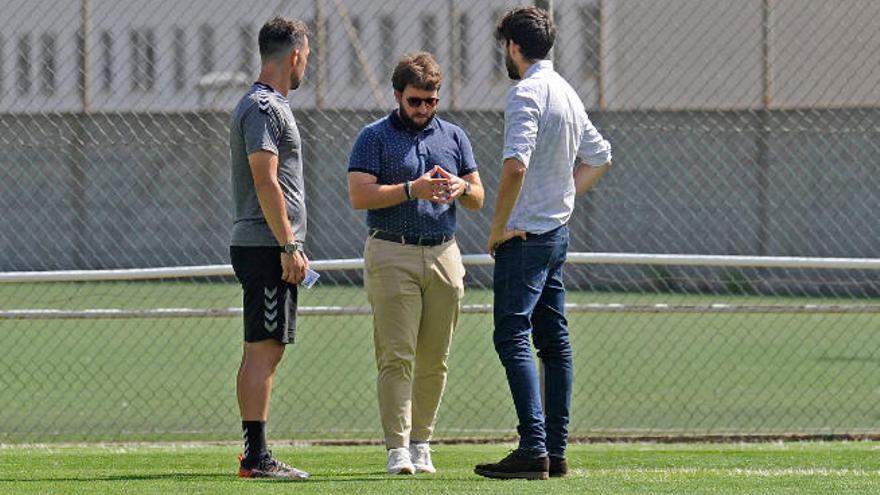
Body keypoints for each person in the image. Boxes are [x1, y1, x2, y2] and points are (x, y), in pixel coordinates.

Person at [474, 7, 612, 480]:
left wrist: (497, 226)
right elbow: (600, 156)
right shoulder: (567, 93)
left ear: (513, 46)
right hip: (556, 234)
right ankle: (555, 452)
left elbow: (515, 165)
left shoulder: (526, 92)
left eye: (504, 49)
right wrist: (565, 198)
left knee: (511, 334)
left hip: (525, 234)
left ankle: (533, 448)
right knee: (554, 342)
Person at [347, 52, 484, 475]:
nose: (423, 109)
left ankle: (423, 442)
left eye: (430, 101)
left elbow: (479, 198)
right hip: (392, 251)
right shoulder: (374, 137)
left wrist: (461, 186)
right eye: (414, 101)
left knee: (435, 358)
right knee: (396, 356)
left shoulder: (455, 136)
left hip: (444, 252)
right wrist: (412, 189)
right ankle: (398, 449)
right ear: (397, 96)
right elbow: (359, 196)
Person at [228, 16, 311, 480]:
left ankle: (254, 453)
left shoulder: (267, 104)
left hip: (264, 243)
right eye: (307, 57)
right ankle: (257, 459)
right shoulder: (263, 107)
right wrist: (289, 243)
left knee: (262, 348)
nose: (306, 67)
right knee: (264, 349)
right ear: (295, 54)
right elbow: (265, 178)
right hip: (266, 244)